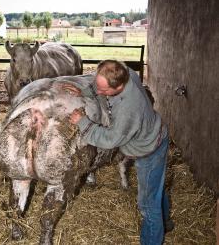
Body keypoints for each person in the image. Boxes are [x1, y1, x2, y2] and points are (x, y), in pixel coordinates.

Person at [64, 60, 174, 245]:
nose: (99, 93)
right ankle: (166, 222)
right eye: (99, 87)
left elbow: (110, 140)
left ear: (119, 86)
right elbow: (98, 84)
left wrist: (82, 122)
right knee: (155, 187)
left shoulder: (128, 108)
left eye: (104, 91)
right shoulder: (126, 72)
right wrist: (85, 91)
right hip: (156, 133)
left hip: (149, 151)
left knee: (147, 204)